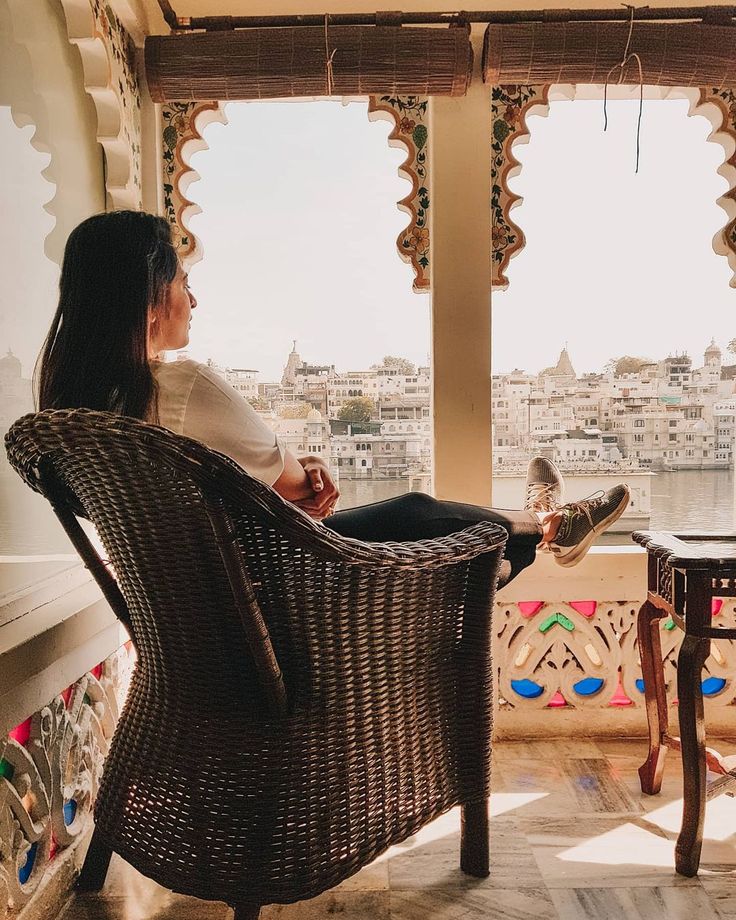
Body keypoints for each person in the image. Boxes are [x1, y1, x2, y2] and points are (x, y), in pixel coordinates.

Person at [37, 210, 630, 588]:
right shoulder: (181, 388)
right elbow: (303, 497)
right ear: (150, 298)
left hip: (202, 614)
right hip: (290, 600)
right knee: (420, 513)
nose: (194, 301)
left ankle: (548, 523)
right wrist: (309, 471)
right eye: (184, 284)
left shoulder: (74, 420)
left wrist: (289, 478)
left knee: (414, 514)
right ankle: (549, 525)